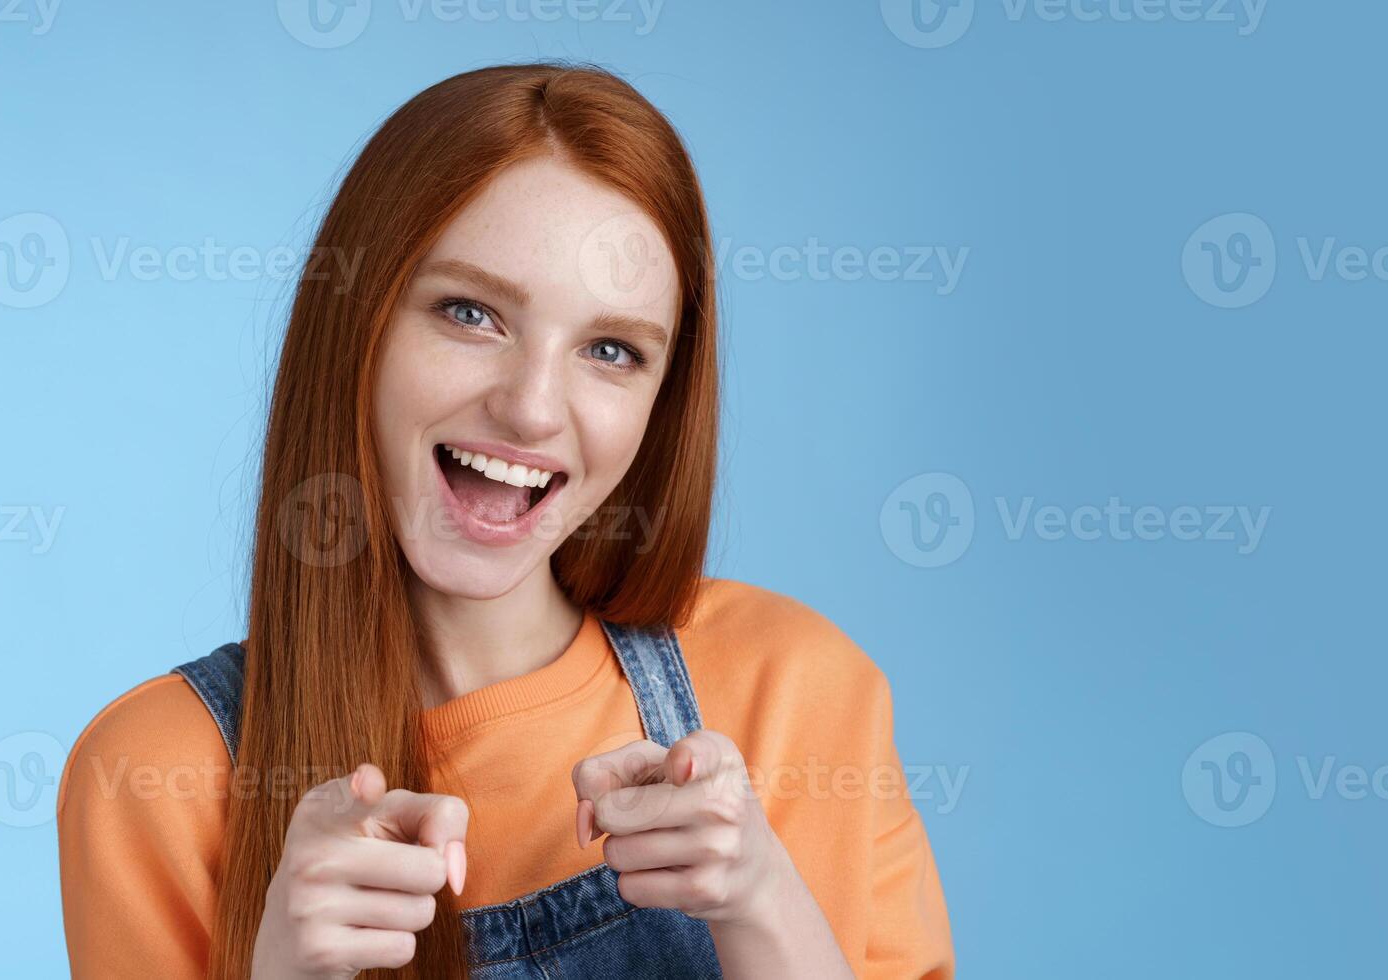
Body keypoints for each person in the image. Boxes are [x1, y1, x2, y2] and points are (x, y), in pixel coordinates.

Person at [59, 63, 954, 979]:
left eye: (612, 350)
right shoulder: (153, 776)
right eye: (471, 313)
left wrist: (765, 904)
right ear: (358, 328)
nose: (531, 409)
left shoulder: (799, 690)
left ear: (661, 405)